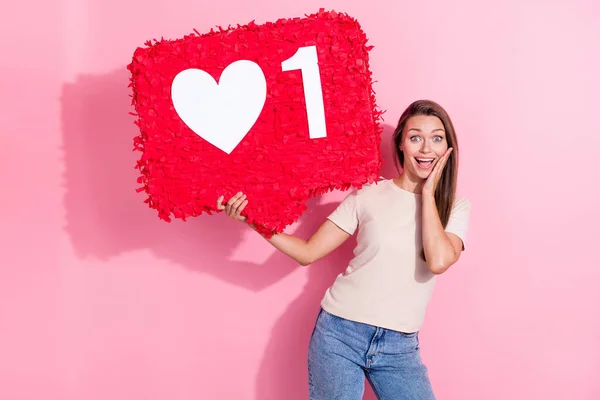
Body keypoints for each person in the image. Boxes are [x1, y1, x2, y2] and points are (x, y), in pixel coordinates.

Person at [217, 99, 471, 399]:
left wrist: (428, 194)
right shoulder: (368, 194)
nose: (427, 149)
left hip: (400, 347)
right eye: (416, 137)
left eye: (436, 138)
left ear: (448, 147)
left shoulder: (455, 207)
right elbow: (307, 252)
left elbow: (439, 260)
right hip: (340, 333)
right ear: (401, 143)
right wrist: (252, 219)